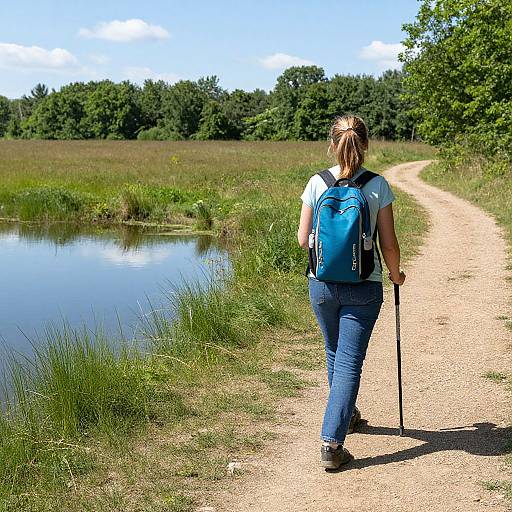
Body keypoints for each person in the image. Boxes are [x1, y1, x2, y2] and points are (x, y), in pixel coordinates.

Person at [297, 115, 406, 470]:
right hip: (364, 286)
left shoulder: (317, 182)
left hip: (322, 284)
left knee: (335, 352)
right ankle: (331, 442)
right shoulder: (377, 186)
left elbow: (302, 240)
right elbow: (388, 243)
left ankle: (348, 415)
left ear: (332, 144)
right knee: (348, 361)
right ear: (366, 144)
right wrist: (396, 274)